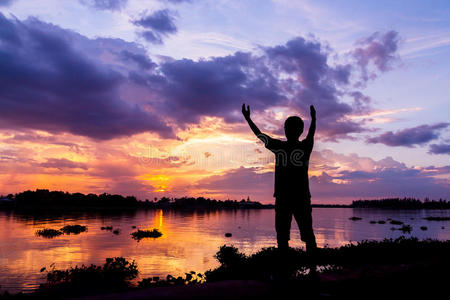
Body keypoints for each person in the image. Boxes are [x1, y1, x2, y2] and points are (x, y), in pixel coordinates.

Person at [242, 103, 318, 259]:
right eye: (287, 127)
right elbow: (261, 136)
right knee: (292, 236)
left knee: (296, 236)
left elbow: (260, 135)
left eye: (288, 127)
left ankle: (304, 271)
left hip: (293, 198)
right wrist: (314, 119)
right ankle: (303, 271)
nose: (287, 129)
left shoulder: (284, 147)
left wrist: (248, 119)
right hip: (293, 198)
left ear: (294, 130)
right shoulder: (299, 146)